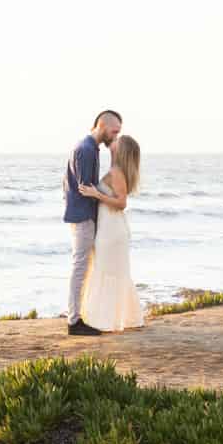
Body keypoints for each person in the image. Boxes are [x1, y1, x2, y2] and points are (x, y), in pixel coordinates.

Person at [77, 135, 145, 332]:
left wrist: (96, 194)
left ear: (121, 149)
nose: (113, 142)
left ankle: (104, 320)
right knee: (113, 271)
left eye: (117, 141)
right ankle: (118, 318)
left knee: (106, 270)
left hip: (112, 230)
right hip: (113, 227)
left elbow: (122, 203)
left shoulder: (117, 172)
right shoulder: (120, 170)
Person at [63, 111, 122, 335]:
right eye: (114, 131)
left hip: (83, 214)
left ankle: (77, 314)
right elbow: (84, 187)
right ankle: (74, 321)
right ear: (103, 125)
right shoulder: (86, 149)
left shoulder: (91, 148)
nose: (116, 137)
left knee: (83, 266)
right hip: (82, 216)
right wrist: (109, 195)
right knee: (80, 267)